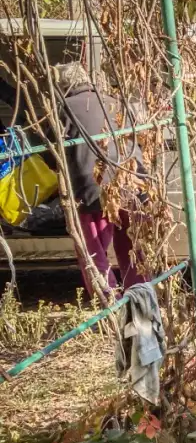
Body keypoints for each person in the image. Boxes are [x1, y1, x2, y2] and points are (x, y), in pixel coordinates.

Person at [54, 62, 147, 299]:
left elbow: (49, 150)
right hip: (133, 181)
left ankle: (110, 302)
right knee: (131, 246)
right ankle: (141, 297)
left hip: (93, 188)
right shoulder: (113, 100)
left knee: (93, 252)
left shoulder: (63, 109)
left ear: (62, 85)